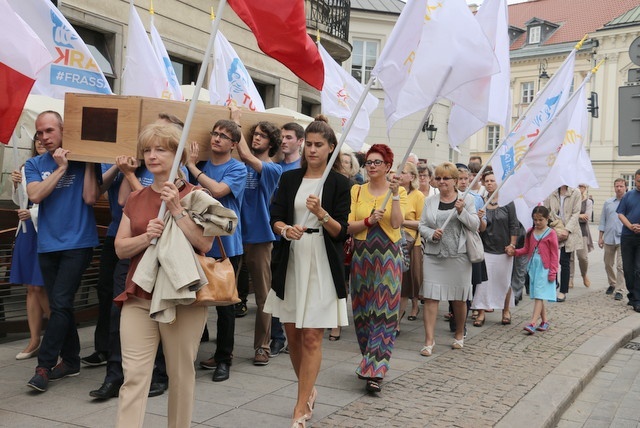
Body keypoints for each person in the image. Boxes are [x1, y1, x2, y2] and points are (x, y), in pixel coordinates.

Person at [113, 123, 214, 427]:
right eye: (147, 149)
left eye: (161, 149)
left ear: (178, 154)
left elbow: (204, 244)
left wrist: (177, 210)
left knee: (181, 375)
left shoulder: (198, 195)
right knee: (133, 377)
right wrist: (147, 237)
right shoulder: (137, 197)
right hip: (138, 295)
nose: (152, 155)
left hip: (181, 297)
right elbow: (120, 248)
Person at [265, 116, 350, 428]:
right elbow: (275, 216)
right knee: (294, 334)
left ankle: (300, 405)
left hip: (321, 262)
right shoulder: (289, 179)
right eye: (309, 144)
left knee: (313, 336)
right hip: (291, 259)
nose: (312, 150)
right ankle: (309, 389)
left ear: (330, 148)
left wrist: (321, 213)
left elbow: (341, 232)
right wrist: (285, 229)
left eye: (319, 145)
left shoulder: (341, 184)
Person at [25, 111, 100, 392]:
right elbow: (35, 195)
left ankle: (43, 366)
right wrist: (60, 168)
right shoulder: (34, 164)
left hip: (78, 243)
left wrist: (90, 161)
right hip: (47, 244)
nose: (44, 138)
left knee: (60, 301)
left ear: (62, 130)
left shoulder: (83, 161)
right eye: (40, 133)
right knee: (62, 305)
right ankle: (70, 361)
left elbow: (91, 198)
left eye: (49, 131)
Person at [190, 119, 246, 382]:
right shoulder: (202, 165)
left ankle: (224, 358)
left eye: (224, 136)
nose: (217, 138)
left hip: (227, 245)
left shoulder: (238, 168)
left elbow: (218, 190)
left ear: (234, 144)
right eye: (214, 133)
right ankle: (190, 353)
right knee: (192, 301)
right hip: (198, 241)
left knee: (225, 305)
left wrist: (191, 168)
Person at [348, 144, 406, 393]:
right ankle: (369, 359)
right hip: (362, 256)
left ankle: (376, 371)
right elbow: (348, 226)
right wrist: (367, 220)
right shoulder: (357, 190)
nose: (371, 166)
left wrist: (393, 196)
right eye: (368, 162)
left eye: (377, 162)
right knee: (362, 313)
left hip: (389, 256)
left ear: (388, 166)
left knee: (384, 312)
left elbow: (396, 223)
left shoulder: (399, 191)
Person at [234, 107, 283, 366]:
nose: (256, 139)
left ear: (271, 143)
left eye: (262, 136)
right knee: (227, 293)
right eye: (255, 134)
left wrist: (236, 122)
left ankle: (262, 346)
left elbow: (243, 152)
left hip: (260, 237)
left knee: (263, 294)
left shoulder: (273, 169)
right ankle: (225, 349)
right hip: (234, 235)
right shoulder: (238, 165)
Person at [419, 162, 479, 357]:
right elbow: (422, 225)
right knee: (430, 297)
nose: (442, 181)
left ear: (455, 181)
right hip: (434, 255)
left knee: (459, 298)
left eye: (446, 178)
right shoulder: (430, 201)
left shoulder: (466, 199)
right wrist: (431, 234)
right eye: (439, 178)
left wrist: (461, 211)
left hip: (459, 255)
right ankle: (429, 340)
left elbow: (475, 225)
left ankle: (460, 333)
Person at [10, 137, 49, 360]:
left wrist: (32, 213)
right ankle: (34, 339)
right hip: (26, 231)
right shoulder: (27, 167)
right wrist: (16, 184)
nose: (41, 141)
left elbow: (56, 203)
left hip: (44, 230)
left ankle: (60, 334)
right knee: (31, 288)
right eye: (37, 137)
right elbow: (21, 201)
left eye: (46, 136)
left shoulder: (54, 167)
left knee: (40, 286)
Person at [270, 122, 305, 357]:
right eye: (281, 136)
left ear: (299, 141)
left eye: (289, 137)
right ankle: (277, 336)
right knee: (277, 289)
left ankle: (296, 334)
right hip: (277, 232)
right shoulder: (276, 167)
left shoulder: (303, 170)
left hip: (300, 237)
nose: (283, 140)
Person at [471, 170, 518, 326]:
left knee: (504, 281)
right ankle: (481, 312)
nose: (490, 183)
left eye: (493, 180)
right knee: (483, 283)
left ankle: (506, 310)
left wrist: (512, 245)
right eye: (487, 181)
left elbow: (514, 225)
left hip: (504, 249)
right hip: (486, 248)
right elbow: (478, 226)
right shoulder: (481, 202)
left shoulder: (507, 202)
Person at [507, 206, 558, 334]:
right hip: (533, 267)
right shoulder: (530, 232)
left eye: (541, 220)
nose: (538, 222)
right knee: (537, 294)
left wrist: (553, 271)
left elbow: (554, 254)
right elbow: (526, 249)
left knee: (539, 295)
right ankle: (544, 321)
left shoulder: (551, 233)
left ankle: (533, 322)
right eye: (535, 220)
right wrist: (515, 252)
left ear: (547, 219)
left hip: (544, 267)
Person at [398, 162, 425, 333]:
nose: (399, 175)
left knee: (405, 286)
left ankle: (396, 323)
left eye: (403, 172)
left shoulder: (418, 196)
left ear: (412, 177)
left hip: (409, 245)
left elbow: (424, 223)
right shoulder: (390, 192)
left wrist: (402, 222)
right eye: (398, 172)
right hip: (391, 241)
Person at [544, 186, 583, 302]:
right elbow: (546, 210)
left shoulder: (575, 192)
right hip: (554, 229)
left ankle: (563, 291)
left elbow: (576, 213)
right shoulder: (552, 191)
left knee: (565, 261)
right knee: (551, 259)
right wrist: (551, 224)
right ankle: (553, 283)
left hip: (569, 231)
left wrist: (567, 230)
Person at [599, 178, 627, 300]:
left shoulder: (628, 202)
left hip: (623, 239)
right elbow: (602, 221)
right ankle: (612, 283)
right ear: (614, 187)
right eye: (617, 186)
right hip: (609, 238)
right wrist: (600, 237)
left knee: (621, 266)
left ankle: (620, 290)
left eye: (621, 186)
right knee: (608, 264)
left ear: (625, 187)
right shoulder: (608, 203)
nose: (619, 188)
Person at [617, 169, 640, 312]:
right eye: (638, 181)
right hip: (627, 236)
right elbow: (620, 214)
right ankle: (632, 296)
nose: (639, 184)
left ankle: (638, 299)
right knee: (627, 268)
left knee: (638, 268)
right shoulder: (629, 195)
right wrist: (630, 226)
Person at [570, 184, 594, 288]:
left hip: (582, 231)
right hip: (570, 230)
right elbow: (566, 215)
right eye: (579, 186)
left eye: (582, 187)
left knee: (582, 257)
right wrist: (579, 215)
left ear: (585, 188)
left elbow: (586, 218)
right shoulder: (570, 199)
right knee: (569, 257)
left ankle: (584, 274)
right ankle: (570, 278)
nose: (580, 188)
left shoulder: (588, 202)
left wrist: (574, 216)